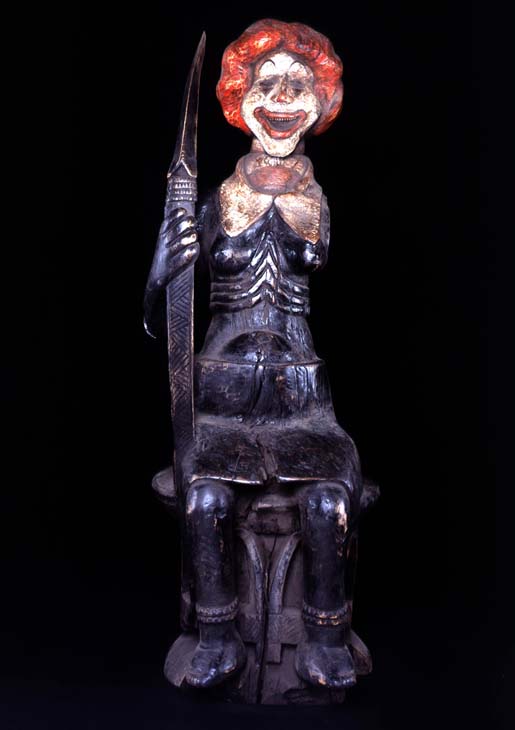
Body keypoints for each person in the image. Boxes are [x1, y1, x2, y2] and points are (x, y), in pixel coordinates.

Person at [145, 19, 362, 690]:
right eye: (267, 85)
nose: (282, 100)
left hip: (301, 397)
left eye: (299, 85)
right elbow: (162, 313)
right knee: (206, 499)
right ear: (241, 100)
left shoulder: (314, 200)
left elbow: (309, 254)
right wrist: (162, 268)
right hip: (222, 390)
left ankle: (325, 640)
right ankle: (216, 637)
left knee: (327, 504)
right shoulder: (218, 200)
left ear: (321, 102)